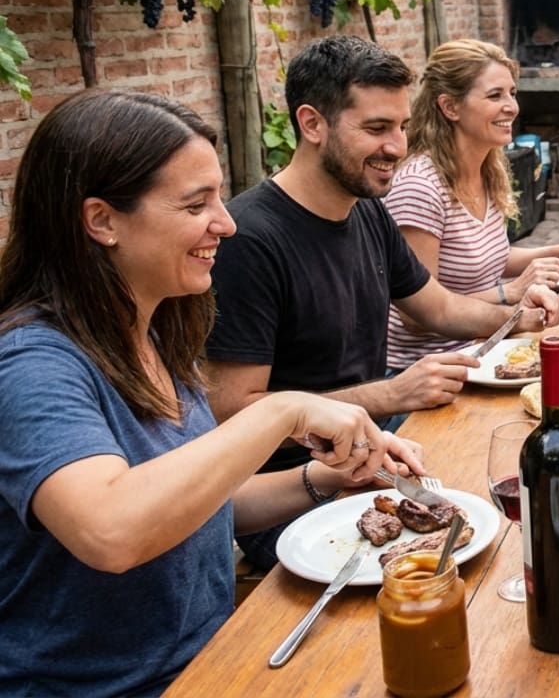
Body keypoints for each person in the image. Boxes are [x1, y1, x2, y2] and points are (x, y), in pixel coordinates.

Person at [0, 90, 427, 695]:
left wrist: (328, 480)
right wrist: (286, 408)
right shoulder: (31, 364)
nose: (225, 223)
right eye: (196, 204)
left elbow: (198, 509)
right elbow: (112, 530)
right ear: (101, 220)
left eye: (219, 199)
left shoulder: (157, 332)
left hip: (218, 658)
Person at [206, 35, 559, 568]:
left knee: (522, 484)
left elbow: (436, 306)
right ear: (312, 124)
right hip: (291, 494)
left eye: (400, 126)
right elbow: (232, 407)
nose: (396, 147)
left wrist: (519, 318)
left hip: (381, 451)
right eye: (376, 129)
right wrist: (390, 393)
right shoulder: (250, 239)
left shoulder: (366, 209)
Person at [385, 39, 559, 370]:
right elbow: (417, 314)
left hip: (484, 348)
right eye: (494, 95)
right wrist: (511, 293)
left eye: (512, 93)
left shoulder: (486, 169)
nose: (512, 107)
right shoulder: (420, 188)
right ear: (450, 107)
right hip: (428, 374)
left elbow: (492, 258)